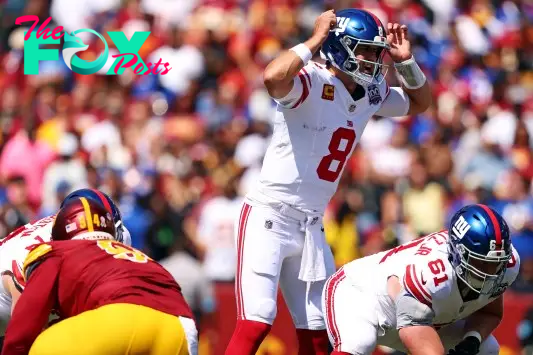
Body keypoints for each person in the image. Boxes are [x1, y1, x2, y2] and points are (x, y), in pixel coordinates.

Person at [225, 7, 432, 355]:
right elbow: (273, 77)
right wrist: (314, 39)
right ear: (337, 46)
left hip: (311, 226)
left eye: (374, 51)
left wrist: (407, 62)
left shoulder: (369, 93)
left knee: (320, 332)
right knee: (258, 318)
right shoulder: (313, 80)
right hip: (269, 216)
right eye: (363, 49)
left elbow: (419, 104)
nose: (372, 59)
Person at [1, 196, 198, 355]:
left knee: (42, 346)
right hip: (181, 325)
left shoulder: (54, 250)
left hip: (119, 319)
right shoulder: (135, 253)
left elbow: (23, 329)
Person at [322, 204, 520, 355]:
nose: (490, 272)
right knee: (358, 343)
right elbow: (413, 328)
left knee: (487, 348)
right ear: (458, 254)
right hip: (362, 295)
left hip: (424, 318)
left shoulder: (507, 265)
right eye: (480, 263)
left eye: (495, 263)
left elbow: (489, 312)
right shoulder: (431, 273)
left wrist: (472, 340)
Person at [0, 188, 131, 321]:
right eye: (91, 246)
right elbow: (23, 332)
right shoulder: (34, 259)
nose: (100, 253)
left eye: (105, 241)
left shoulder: (118, 234)